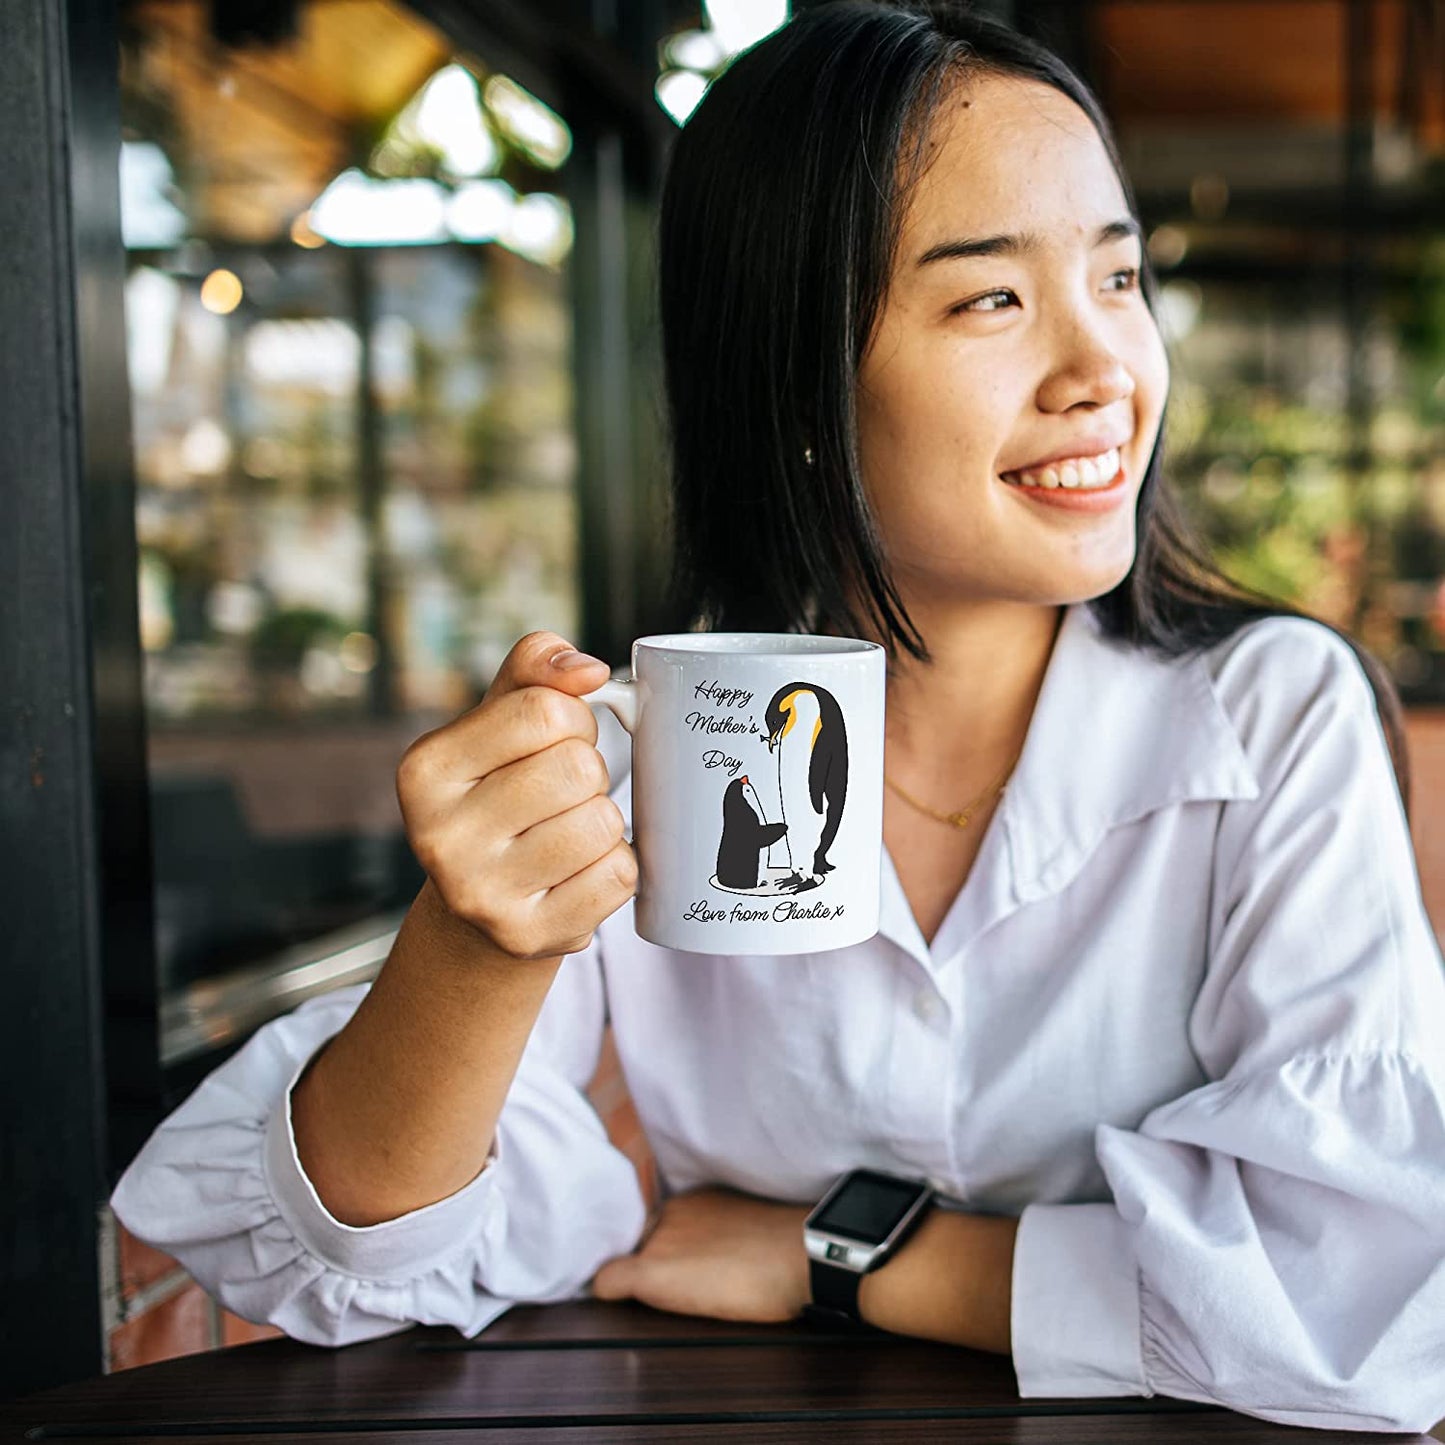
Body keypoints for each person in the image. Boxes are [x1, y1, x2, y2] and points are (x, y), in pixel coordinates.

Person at [112, 1, 1445, 1432]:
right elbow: (337, 1261)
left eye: (1117, 278)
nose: (1103, 369)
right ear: (797, 379)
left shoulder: (1262, 716)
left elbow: (1372, 1289)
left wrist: (854, 1255)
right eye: (990, 297)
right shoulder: (664, 737)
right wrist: (478, 940)